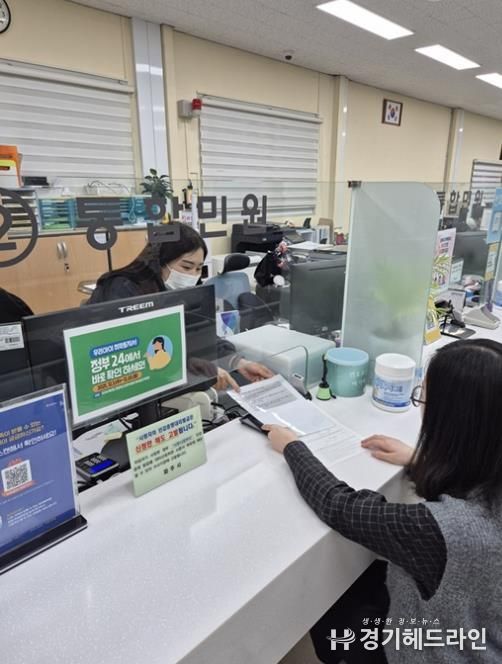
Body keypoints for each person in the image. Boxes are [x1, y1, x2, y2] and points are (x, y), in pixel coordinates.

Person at [264, 338, 502, 664]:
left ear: (451, 420)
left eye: (424, 398)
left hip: (431, 651)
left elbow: (340, 506)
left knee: (330, 599)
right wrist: (419, 460)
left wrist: (292, 447)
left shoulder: (441, 531)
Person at [89, 222, 273, 390]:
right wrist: (196, 368)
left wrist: (236, 362)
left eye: (199, 268)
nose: (192, 275)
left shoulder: (178, 293)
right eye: (186, 267)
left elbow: (199, 334)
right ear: (159, 262)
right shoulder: (123, 289)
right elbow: (134, 355)